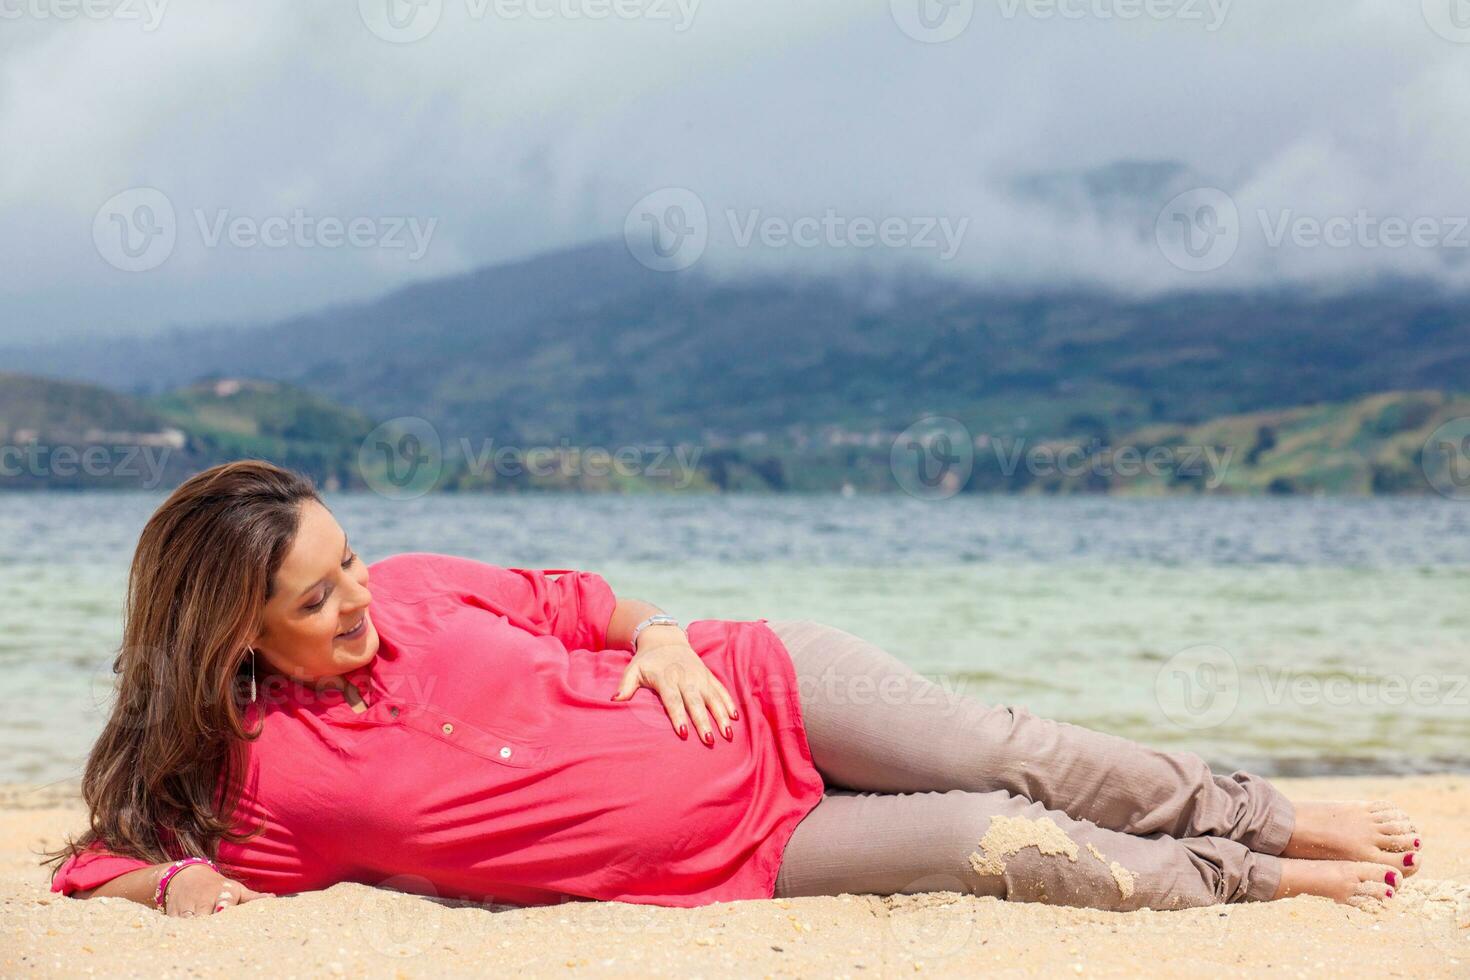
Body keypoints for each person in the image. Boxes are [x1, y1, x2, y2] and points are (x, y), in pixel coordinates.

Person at [45, 461, 1422, 917]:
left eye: (345, 561)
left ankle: (1273, 815)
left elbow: (586, 601)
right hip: (744, 853)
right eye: (315, 598)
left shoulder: (418, 582)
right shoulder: (265, 793)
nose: (357, 599)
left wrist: (662, 641)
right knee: (988, 841)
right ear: (233, 638)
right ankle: (1250, 883)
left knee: (998, 745)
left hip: (760, 690)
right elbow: (94, 858)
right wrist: (166, 885)